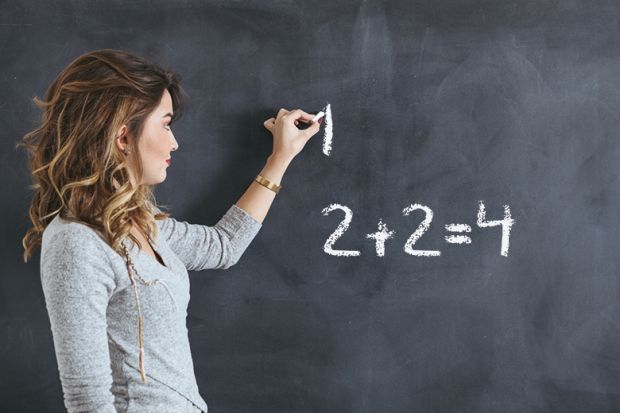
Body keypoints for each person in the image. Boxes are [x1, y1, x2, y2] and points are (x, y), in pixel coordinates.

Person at [18, 48, 321, 413]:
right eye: (165, 123)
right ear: (123, 136)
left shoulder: (138, 220)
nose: (174, 141)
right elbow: (88, 401)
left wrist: (281, 157)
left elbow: (223, 246)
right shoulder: (76, 242)